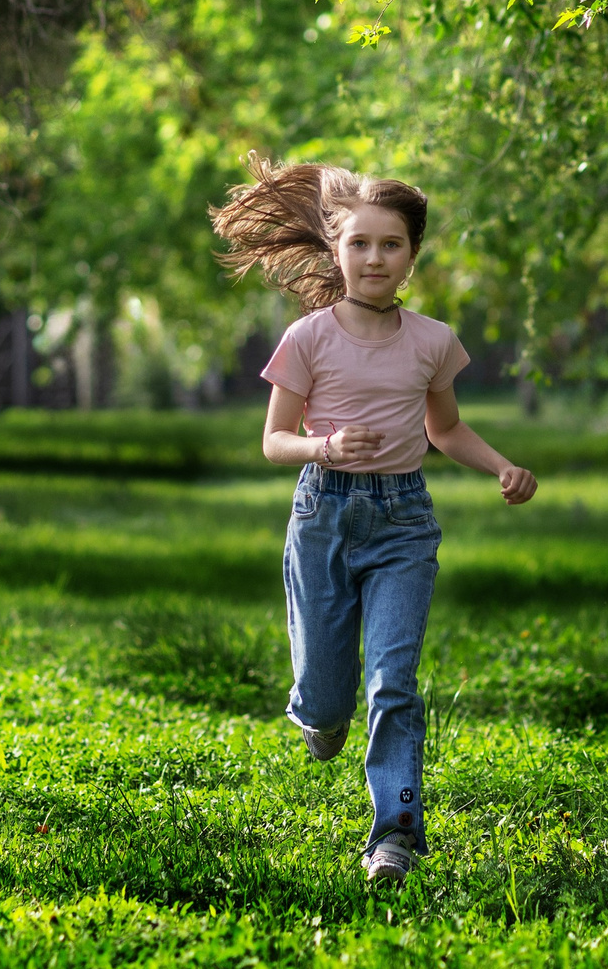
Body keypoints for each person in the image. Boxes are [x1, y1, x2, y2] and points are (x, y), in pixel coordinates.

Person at [210, 158, 537, 883]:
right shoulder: (308, 339)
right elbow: (273, 441)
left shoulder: (433, 341)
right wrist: (323, 444)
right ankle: (321, 717)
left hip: (403, 524)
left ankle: (396, 833)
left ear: (412, 256)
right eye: (359, 243)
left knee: (394, 681)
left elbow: (446, 429)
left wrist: (502, 467)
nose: (374, 257)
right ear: (337, 251)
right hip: (322, 513)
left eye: (390, 245)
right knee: (326, 702)